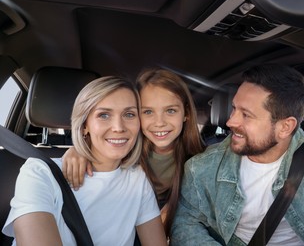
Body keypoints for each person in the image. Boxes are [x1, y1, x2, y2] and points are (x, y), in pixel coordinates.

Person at [170, 64, 304, 246]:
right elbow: (184, 223)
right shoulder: (201, 168)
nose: (231, 121)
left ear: (285, 127)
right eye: (234, 108)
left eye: (246, 115)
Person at [2, 76, 167, 246]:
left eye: (129, 114)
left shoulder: (137, 179)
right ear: (85, 125)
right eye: (104, 115)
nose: (119, 127)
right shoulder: (39, 173)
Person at [61, 68, 205, 237]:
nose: (159, 123)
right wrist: (79, 149)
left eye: (170, 111)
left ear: (186, 113)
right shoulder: (124, 152)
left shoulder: (200, 162)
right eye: (148, 112)